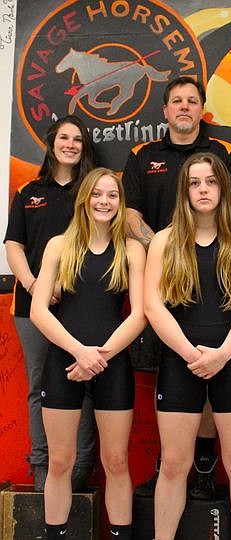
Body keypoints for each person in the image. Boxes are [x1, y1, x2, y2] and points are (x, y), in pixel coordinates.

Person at [122, 75, 231, 498]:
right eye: (176, 101)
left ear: (202, 109)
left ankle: (204, 464)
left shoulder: (224, 154)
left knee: (215, 378)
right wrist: (171, 250)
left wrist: (197, 253)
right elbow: (129, 217)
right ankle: (171, 463)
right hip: (166, 284)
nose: (184, 107)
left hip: (217, 281)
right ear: (165, 110)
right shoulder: (143, 155)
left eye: (191, 101)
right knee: (172, 374)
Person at [144, 152, 231, 540]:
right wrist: (189, 354)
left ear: (223, 188)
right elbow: (153, 306)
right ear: (185, 191)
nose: (203, 189)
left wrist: (223, 354)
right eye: (195, 183)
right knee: (175, 464)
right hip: (182, 362)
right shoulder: (164, 241)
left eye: (210, 181)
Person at [30, 168, 146, 540]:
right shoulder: (59, 246)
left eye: (112, 195)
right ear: (84, 199)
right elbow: (38, 311)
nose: (104, 202)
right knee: (60, 461)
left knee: (116, 462)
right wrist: (79, 352)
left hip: (112, 365)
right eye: (97, 194)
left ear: (120, 202)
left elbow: (141, 314)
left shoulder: (131, 250)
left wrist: (101, 357)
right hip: (65, 362)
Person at [4, 115, 97, 492]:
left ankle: (79, 470)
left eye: (77, 139)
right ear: (52, 143)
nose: (70, 145)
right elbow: (14, 246)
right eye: (64, 138)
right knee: (39, 385)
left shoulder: (93, 192)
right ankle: (41, 469)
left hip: (82, 306)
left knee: (85, 383)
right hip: (32, 308)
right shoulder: (29, 191)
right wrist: (34, 283)